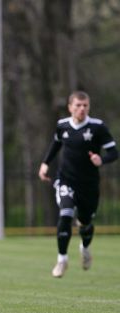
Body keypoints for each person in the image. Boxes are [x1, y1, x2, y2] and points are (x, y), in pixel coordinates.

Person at [39, 90, 118, 278]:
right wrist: (45, 163)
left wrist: (102, 160)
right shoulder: (62, 126)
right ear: (70, 107)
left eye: (85, 106)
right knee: (65, 214)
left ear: (88, 107)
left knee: (85, 223)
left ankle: (85, 248)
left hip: (88, 185)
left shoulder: (98, 127)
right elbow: (56, 144)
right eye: (78, 105)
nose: (82, 109)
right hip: (66, 180)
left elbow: (114, 153)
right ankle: (62, 260)